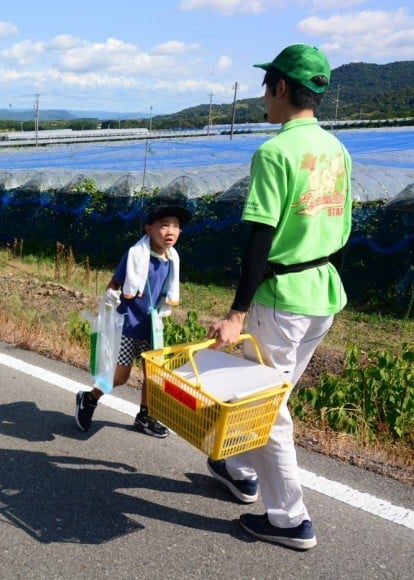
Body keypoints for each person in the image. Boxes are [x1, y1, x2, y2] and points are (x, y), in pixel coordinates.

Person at [204, 44, 351, 551]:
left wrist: (237, 314)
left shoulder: (275, 152)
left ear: (281, 88)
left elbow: (260, 243)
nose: (265, 97)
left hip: (281, 298)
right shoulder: (337, 149)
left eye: (268, 86)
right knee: (275, 395)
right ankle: (238, 467)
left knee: (264, 408)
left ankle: (289, 519)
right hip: (323, 293)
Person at [75, 205, 190, 437]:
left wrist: (163, 310)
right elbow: (115, 283)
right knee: (119, 377)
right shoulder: (135, 255)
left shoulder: (171, 260)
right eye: (164, 225)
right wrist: (109, 301)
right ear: (149, 229)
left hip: (151, 327)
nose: (171, 231)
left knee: (153, 376)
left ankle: (145, 416)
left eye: (176, 226)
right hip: (127, 326)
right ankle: (88, 399)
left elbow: (165, 291)